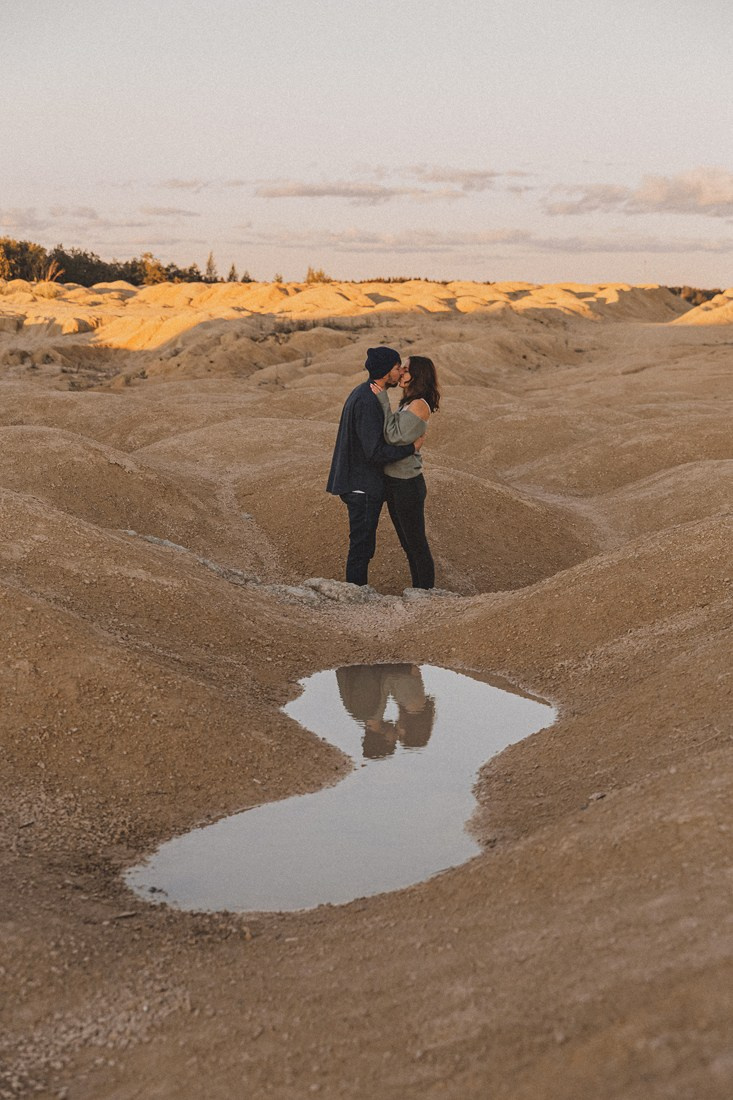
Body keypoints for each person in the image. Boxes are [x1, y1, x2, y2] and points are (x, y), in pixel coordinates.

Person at [327, 347, 423, 586]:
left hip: (361, 482)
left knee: (363, 546)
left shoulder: (366, 393)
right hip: (362, 485)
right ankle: (355, 597)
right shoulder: (368, 400)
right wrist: (411, 448)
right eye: (395, 367)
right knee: (361, 547)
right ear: (384, 371)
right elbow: (375, 452)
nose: (399, 372)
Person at [371, 355, 440, 590]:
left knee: (416, 543)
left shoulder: (420, 404)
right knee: (407, 543)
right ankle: (420, 589)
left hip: (407, 484)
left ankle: (425, 592)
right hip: (396, 482)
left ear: (417, 375)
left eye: (406, 369)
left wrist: (381, 397)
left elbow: (393, 437)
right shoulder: (407, 402)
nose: (401, 372)